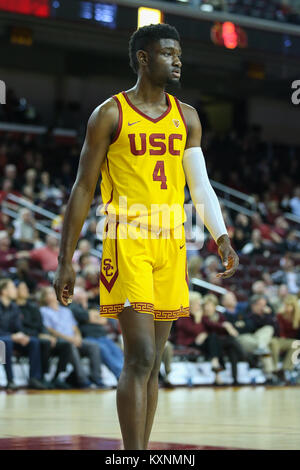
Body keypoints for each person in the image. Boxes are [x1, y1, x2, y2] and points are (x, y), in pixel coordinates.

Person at [54, 24, 239, 450]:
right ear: (143, 58)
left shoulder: (187, 116)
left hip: (172, 243)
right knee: (137, 356)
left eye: (179, 54)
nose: (178, 60)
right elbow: (83, 187)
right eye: (168, 53)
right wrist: (66, 259)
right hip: (126, 238)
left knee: (152, 363)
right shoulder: (109, 114)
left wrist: (221, 234)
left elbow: (201, 185)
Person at [39, 286, 105, 389]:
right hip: (60, 341)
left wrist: (78, 337)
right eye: (50, 293)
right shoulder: (43, 311)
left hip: (74, 339)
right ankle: (83, 380)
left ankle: (97, 378)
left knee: (94, 346)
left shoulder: (66, 310)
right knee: (70, 346)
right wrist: (70, 339)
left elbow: (75, 327)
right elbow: (50, 329)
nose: (54, 294)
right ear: (44, 298)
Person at [16, 281, 71, 389]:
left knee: (66, 345)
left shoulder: (33, 307)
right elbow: (18, 328)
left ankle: (57, 377)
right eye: (23, 288)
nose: (27, 290)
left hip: (38, 336)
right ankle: (43, 376)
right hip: (25, 339)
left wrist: (47, 335)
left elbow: (41, 326)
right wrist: (41, 336)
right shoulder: (14, 308)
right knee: (44, 343)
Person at [0, 279, 46, 390]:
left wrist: (22, 335)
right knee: (6, 342)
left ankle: (34, 378)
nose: (16, 290)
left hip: (11, 339)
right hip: (3, 340)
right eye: (12, 288)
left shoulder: (14, 307)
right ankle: (10, 380)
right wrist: (11, 336)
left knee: (33, 341)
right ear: (4, 291)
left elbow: (18, 327)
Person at [70, 287, 124, 381]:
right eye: (79, 293)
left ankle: (126, 374)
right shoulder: (73, 307)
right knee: (103, 350)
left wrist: (91, 317)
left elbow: (104, 320)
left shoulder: (93, 305)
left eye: (82, 291)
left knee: (117, 351)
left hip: (103, 336)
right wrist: (94, 316)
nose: (82, 293)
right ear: (74, 297)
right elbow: (88, 317)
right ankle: (120, 375)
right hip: (88, 337)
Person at [176, 291, 227, 383]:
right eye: (197, 304)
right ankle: (217, 371)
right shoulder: (183, 315)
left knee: (214, 339)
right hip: (187, 343)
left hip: (199, 343)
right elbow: (193, 332)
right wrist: (198, 320)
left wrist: (204, 334)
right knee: (214, 343)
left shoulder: (199, 314)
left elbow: (204, 331)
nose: (199, 307)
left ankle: (215, 365)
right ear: (190, 304)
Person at [202, 294, 245, 385]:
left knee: (232, 350)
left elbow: (223, 329)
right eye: (206, 305)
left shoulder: (220, 315)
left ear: (215, 306)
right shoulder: (203, 316)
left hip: (219, 342)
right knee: (223, 339)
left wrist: (227, 327)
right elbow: (211, 326)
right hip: (208, 343)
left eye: (210, 305)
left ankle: (235, 379)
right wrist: (225, 326)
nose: (207, 308)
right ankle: (245, 356)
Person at [270, 295, 300, 382]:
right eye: (285, 305)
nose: (287, 307)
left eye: (289, 305)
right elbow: (278, 330)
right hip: (280, 339)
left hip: (292, 341)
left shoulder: (298, 317)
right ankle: (274, 369)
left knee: (297, 344)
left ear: (294, 306)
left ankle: (285, 369)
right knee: (273, 343)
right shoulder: (280, 315)